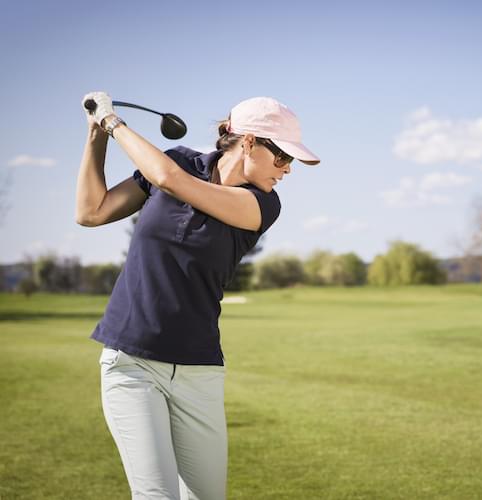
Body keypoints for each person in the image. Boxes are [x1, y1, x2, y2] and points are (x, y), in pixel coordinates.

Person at [76, 91, 320, 499]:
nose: (287, 169)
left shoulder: (263, 204)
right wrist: (96, 133)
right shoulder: (179, 159)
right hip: (131, 364)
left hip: (199, 370)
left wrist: (114, 123)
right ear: (249, 142)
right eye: (282, 157)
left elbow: (170, 181)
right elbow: (91, 212)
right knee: (157, 495)